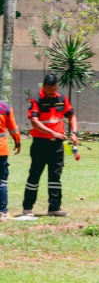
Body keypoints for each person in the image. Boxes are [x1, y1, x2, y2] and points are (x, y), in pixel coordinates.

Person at [23, 73, 79, 217]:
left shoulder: (61, 99)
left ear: (57, 86)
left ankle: (54, 208)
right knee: (34, 175)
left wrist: (74, 133)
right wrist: (52, 133)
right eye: (49, 89)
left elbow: (71, 116)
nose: (51, 92)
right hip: (40, 144)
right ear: (44, 86)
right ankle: (28, 208)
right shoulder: (36, 100)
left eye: (53, 89)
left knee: (55, 177)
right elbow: (34, 122)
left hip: (57, 146)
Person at [0, 99, 21, 221]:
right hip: (1, 149)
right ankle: (2, 212)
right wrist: (17, 142)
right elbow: (13, 128)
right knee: (2, 181)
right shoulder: (5, 107)